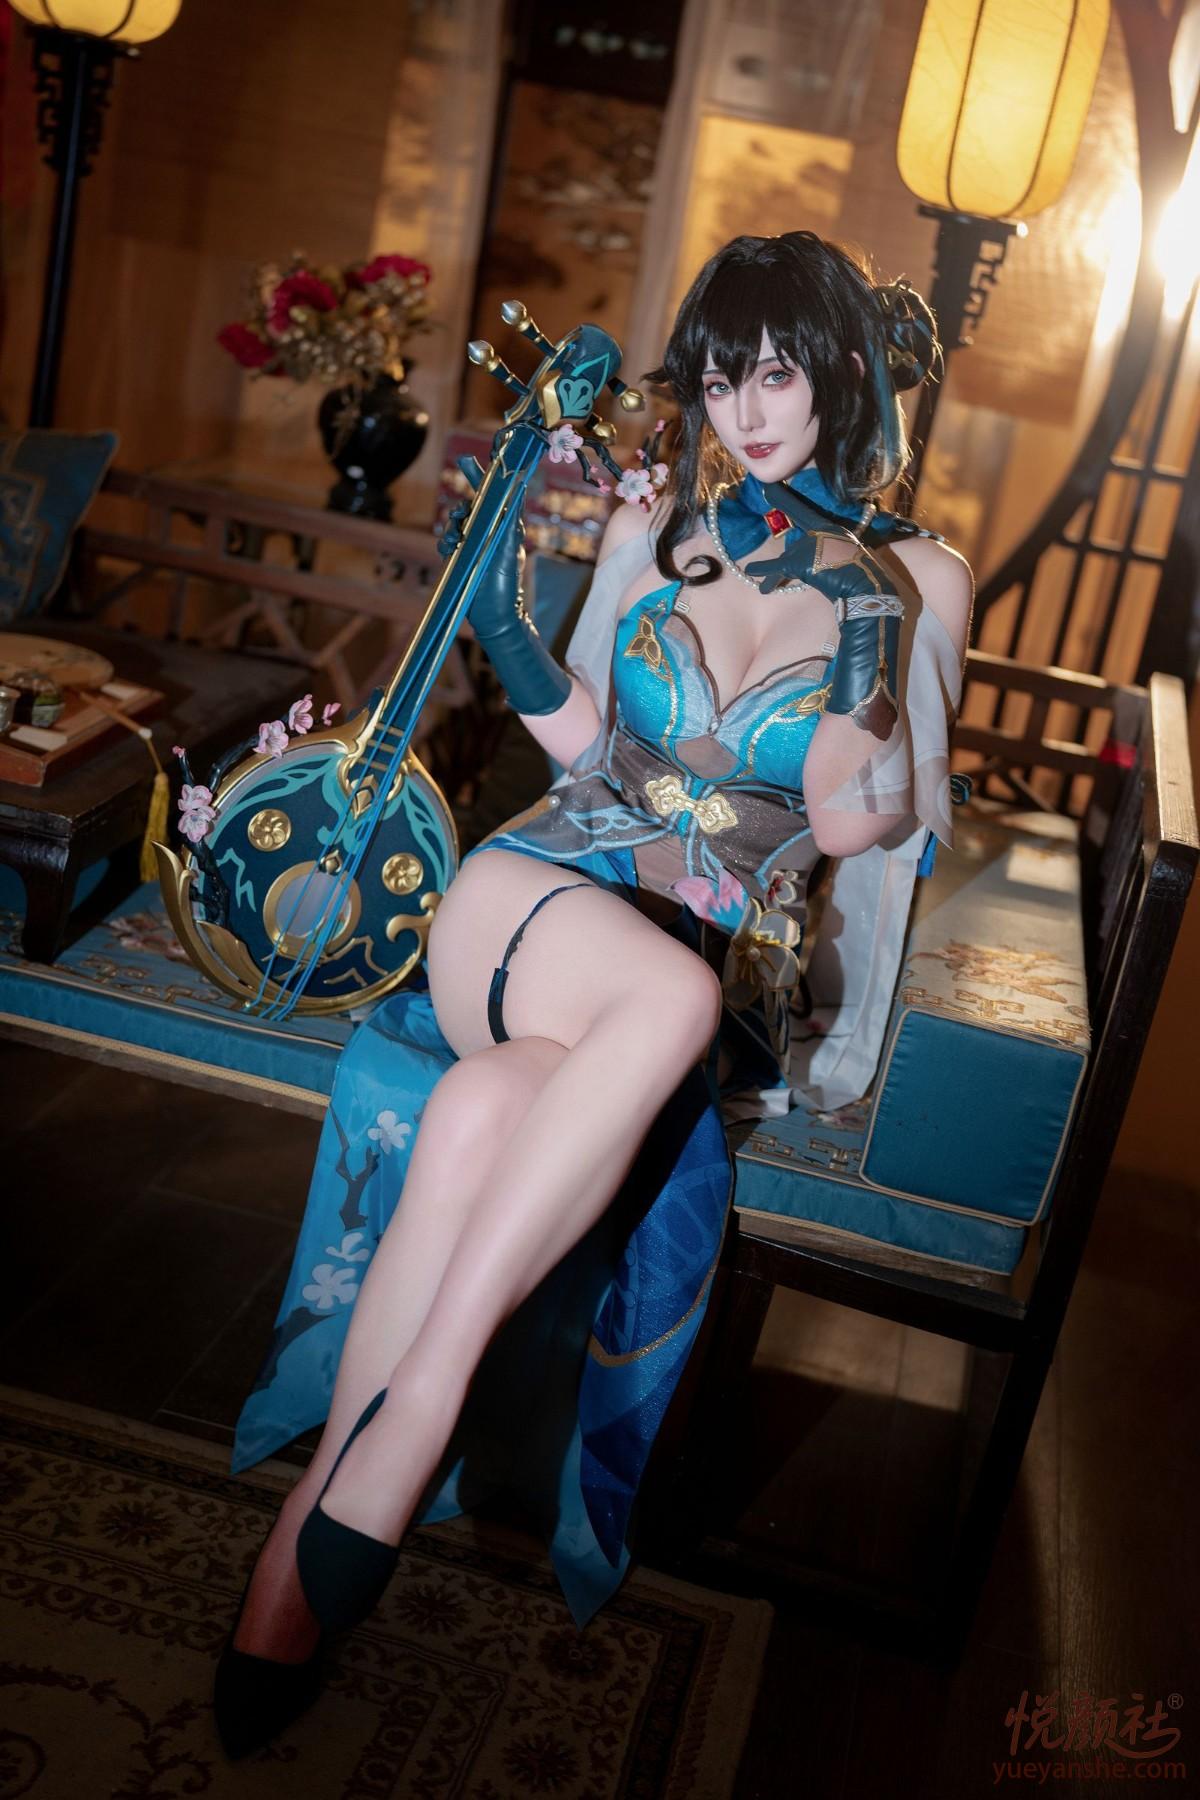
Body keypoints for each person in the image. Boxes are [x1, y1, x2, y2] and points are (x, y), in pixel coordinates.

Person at [212, 230, 973, 1758]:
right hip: (527, 902)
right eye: (722, 378)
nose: (744, 411)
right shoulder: (667, 521)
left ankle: (306, 1535)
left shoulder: (918, 579)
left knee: (485, 1117)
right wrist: (508, 613)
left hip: (670, 978)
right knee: (663, 1012)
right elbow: (577, 749)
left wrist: (871, 675)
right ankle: (428, 1406)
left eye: (775, 373)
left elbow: (867, 829)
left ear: (839, 374)